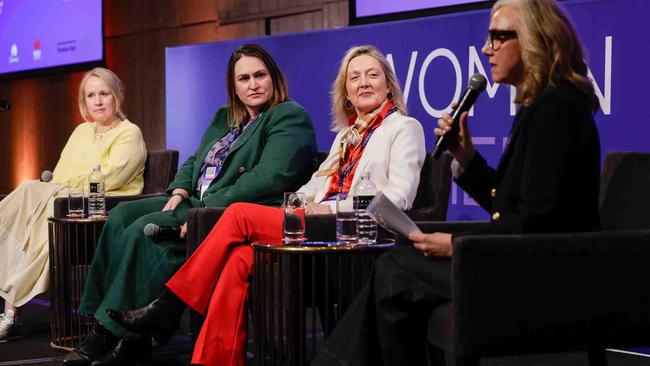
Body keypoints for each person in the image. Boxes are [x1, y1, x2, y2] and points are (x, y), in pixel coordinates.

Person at [311, 0, 601, 365]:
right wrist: (467, 160)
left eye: (499, 37)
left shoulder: (556, 108)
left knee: (394, 268)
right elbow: (510, 205)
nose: (486, 49)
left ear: (535, 40)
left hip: (545, 273)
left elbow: (537, 222)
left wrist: (457, 244)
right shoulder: (540, 105)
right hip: (522, 257)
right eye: (487, 38)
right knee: (395, 272)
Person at [106, 44, 426, 366]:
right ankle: (213, 360)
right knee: (239, 259)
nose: (364, 83)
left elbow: (399, 198)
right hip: (314, 225)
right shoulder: (346, 135)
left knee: (239, 214)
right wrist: (299, 203)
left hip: (351, 231)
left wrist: (327, 210)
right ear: (346, 91)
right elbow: (317, 183)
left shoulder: (403, 128)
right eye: (354, 77)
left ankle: (170, 305)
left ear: (388, 84)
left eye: (372, 75)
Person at [61, 44, 317, 366]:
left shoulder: (288, 116)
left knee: (143, 230)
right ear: (233, 85)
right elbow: (197, 157)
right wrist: (180, 189)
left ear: (273, 77)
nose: (252, 84)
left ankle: (108, 336)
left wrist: (204, 206)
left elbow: (270, 178)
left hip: (220, 208)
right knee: (121, 215)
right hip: (194, 198)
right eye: (243, 78)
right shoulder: (225, 117)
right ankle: (108, 326)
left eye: (259, 75)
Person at [0, 67, 147, 343]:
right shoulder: (81, 131)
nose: (98, 101)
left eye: (104, 93)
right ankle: (11, 310)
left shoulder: (129, 133)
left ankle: (11, 314)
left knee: (38, 199)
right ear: (84, 101)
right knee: (30, 194)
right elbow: (60, 175)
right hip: (64, 203)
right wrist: (67, 183)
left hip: (99, 214)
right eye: (91, 95)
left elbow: (108, 178)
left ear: (117, 96)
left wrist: (68, 183)